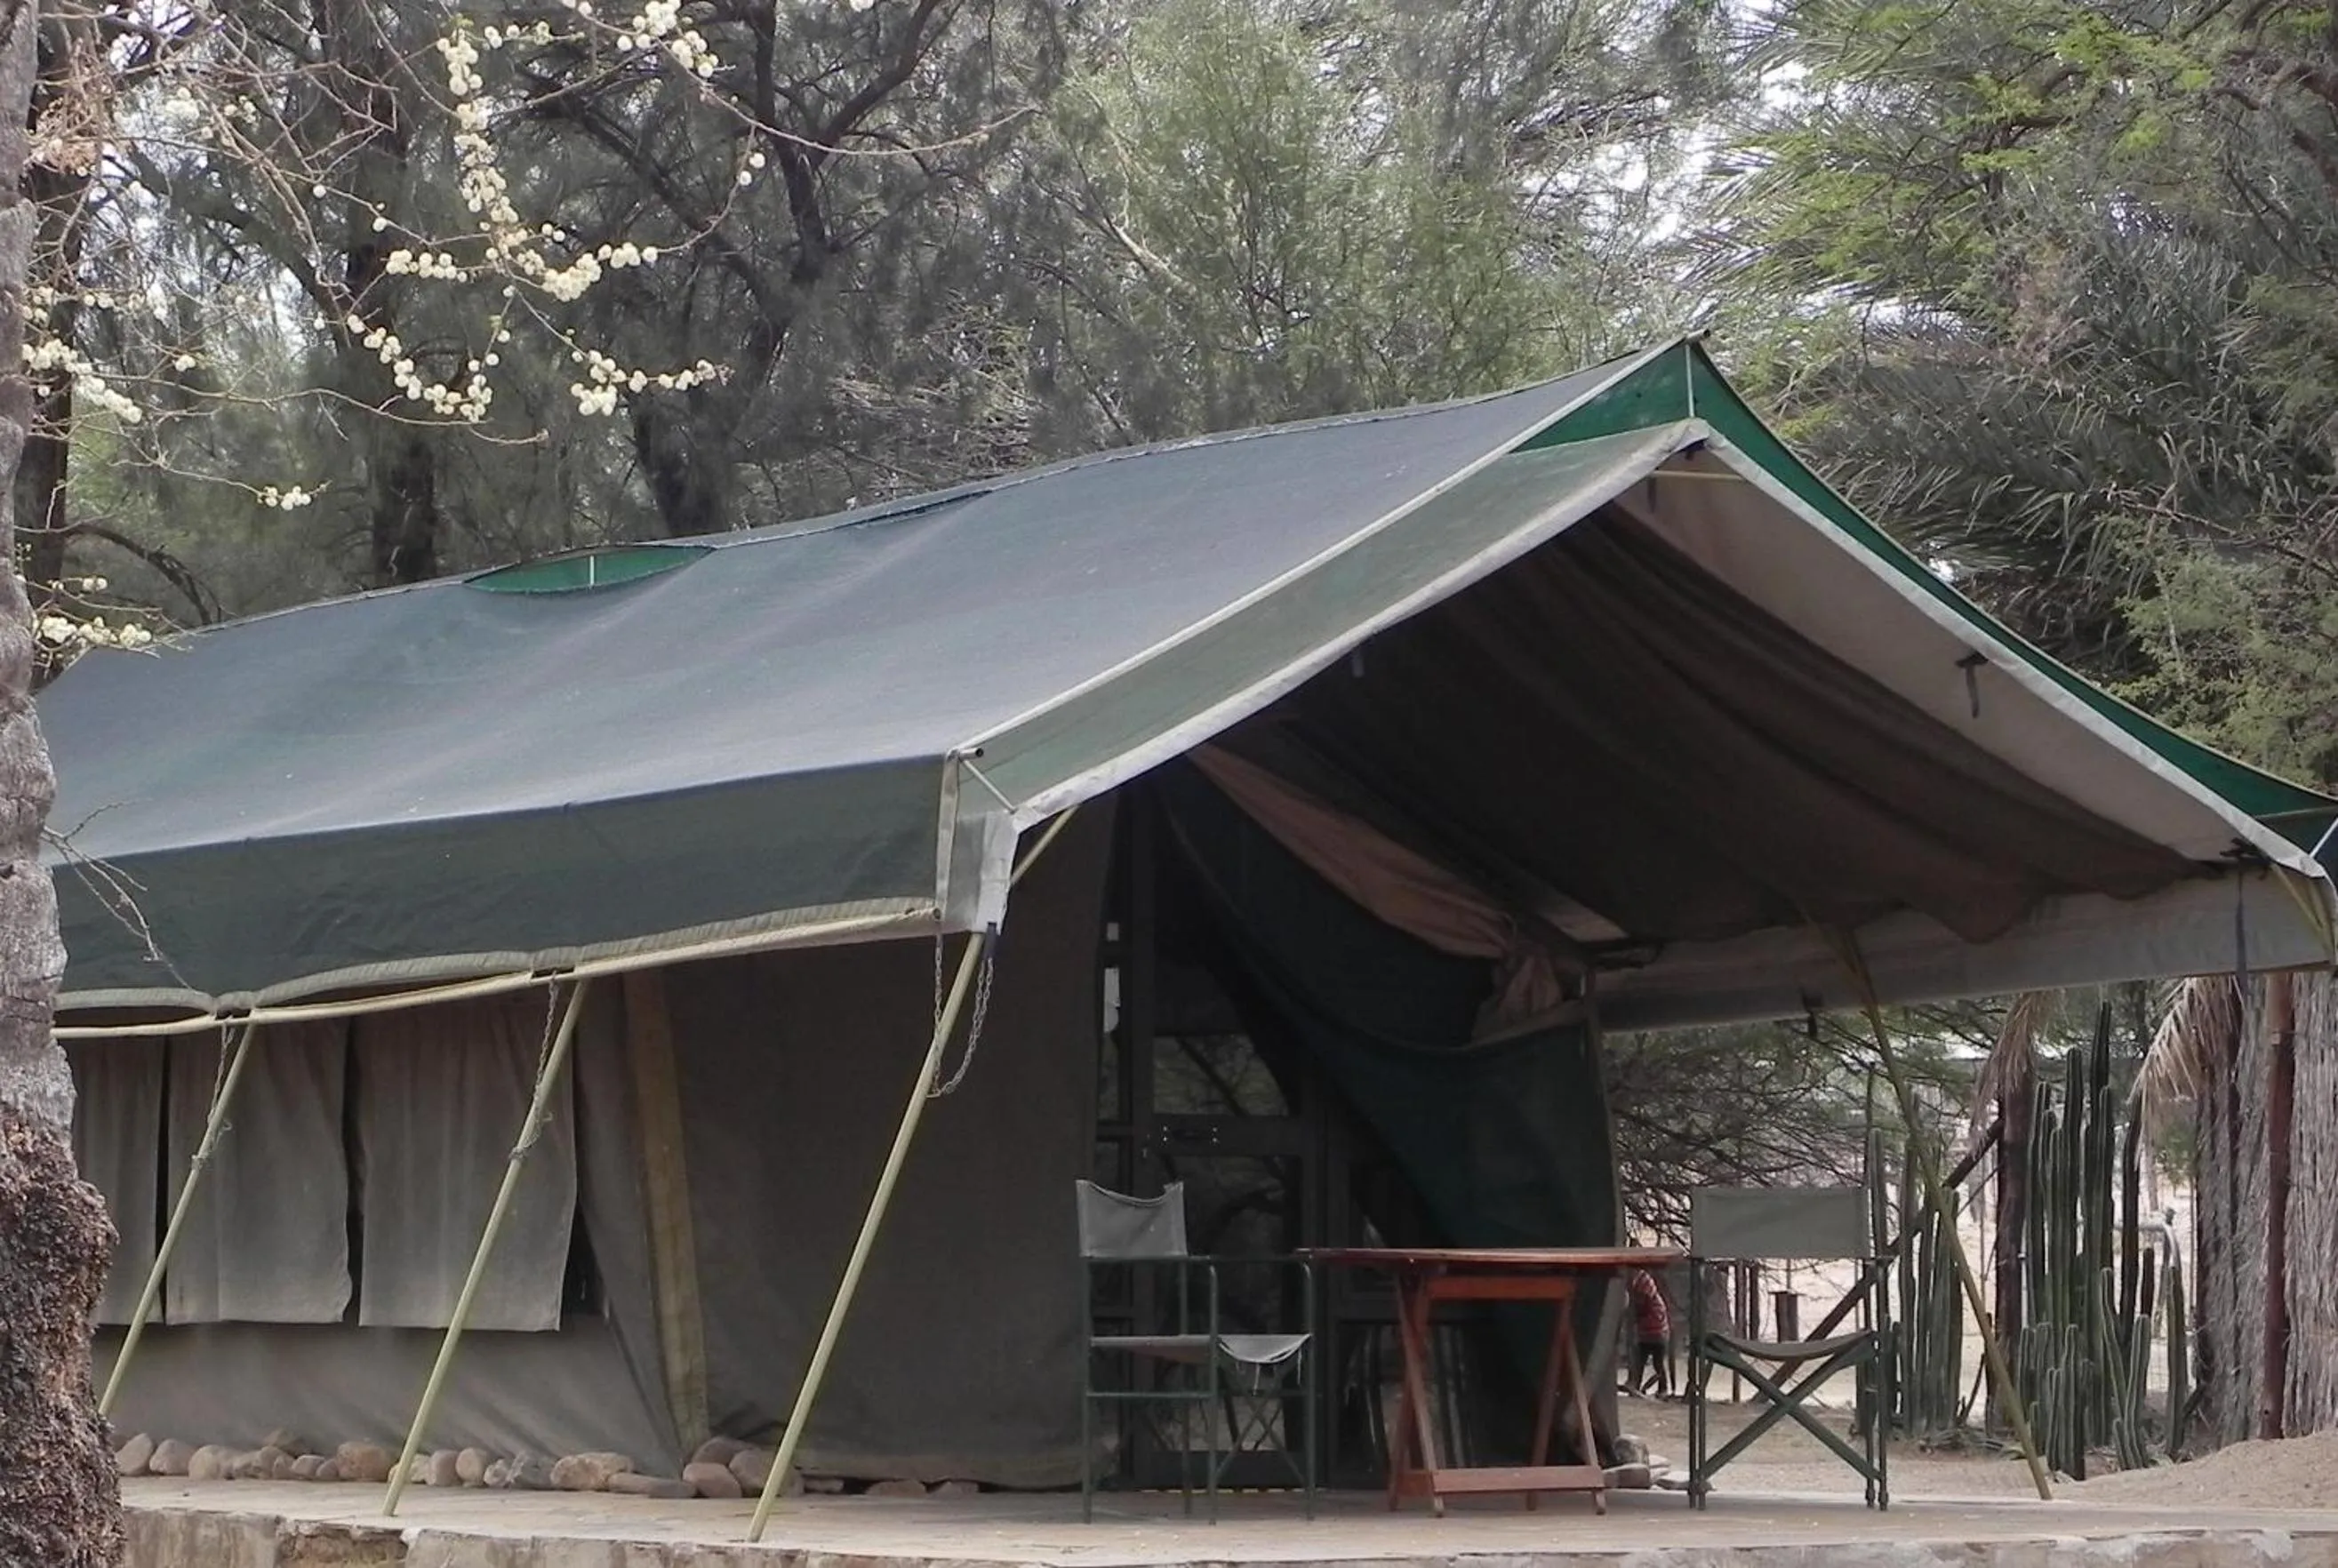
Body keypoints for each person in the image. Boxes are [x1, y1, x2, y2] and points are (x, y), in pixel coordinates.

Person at [1627, 1268, 1672, 1397]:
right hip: (1645, 1335)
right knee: (1640, 1362)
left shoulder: (1653, 1302)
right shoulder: (1642, 1297)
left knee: (1658, 1364)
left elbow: (1644, 1312)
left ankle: (1663, 1389)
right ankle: (1636, 1386)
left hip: (1657, 1334)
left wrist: (1636, 1314)